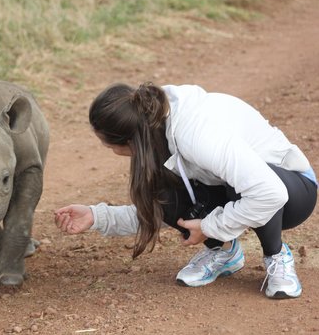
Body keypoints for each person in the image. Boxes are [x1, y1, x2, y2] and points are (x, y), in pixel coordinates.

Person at [55, 82, 317, 299]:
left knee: (248, 186)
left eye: (108, 145)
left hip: (294, 190)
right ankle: (224, 252)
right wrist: (96, 216)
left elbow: (270, 193)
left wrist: (209, 227)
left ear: (130, 140)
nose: (111, 152)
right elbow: (155, 210)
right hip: (244, 188)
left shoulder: (196, 135)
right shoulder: (155, 128)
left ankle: (276, 254)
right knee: (164, 194)